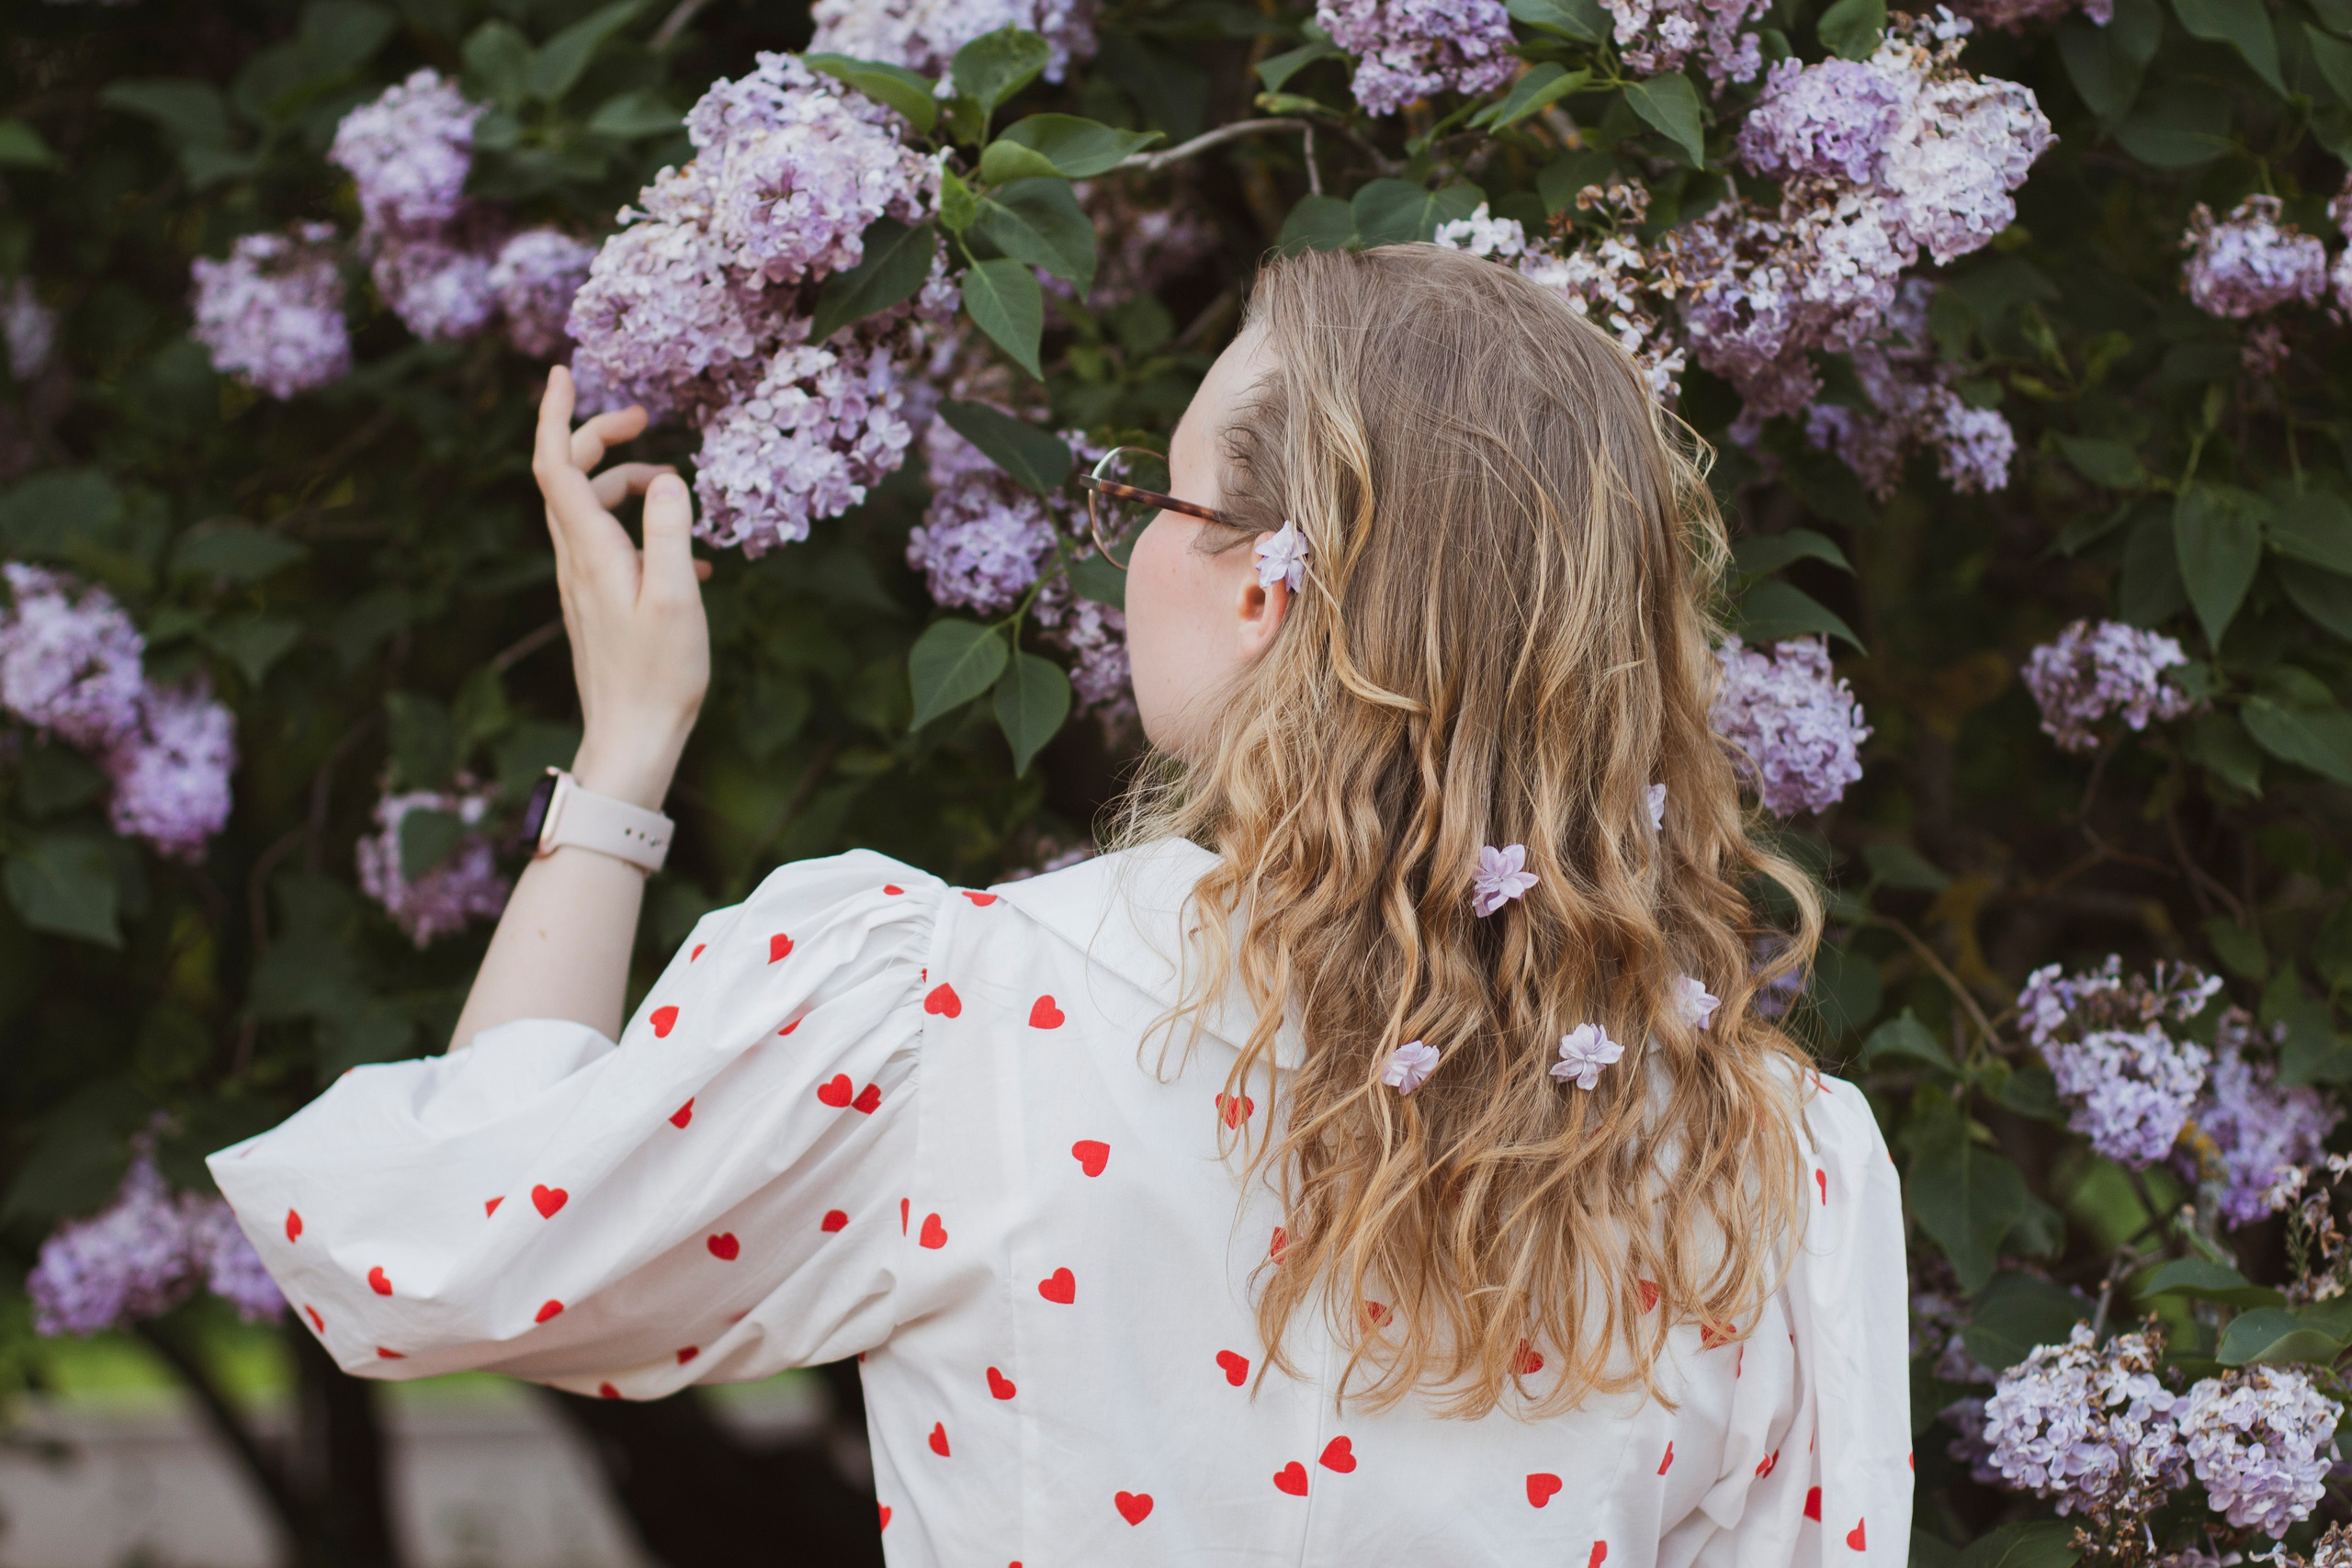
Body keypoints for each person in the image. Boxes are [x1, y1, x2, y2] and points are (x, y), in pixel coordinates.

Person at [211, 243, 1908, 1565]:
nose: (1125, 553)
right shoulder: (1781, 1167)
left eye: (1155, 498)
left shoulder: (962, 1029)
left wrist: (624, 759)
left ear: (1265, 585)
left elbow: (439, 1254)